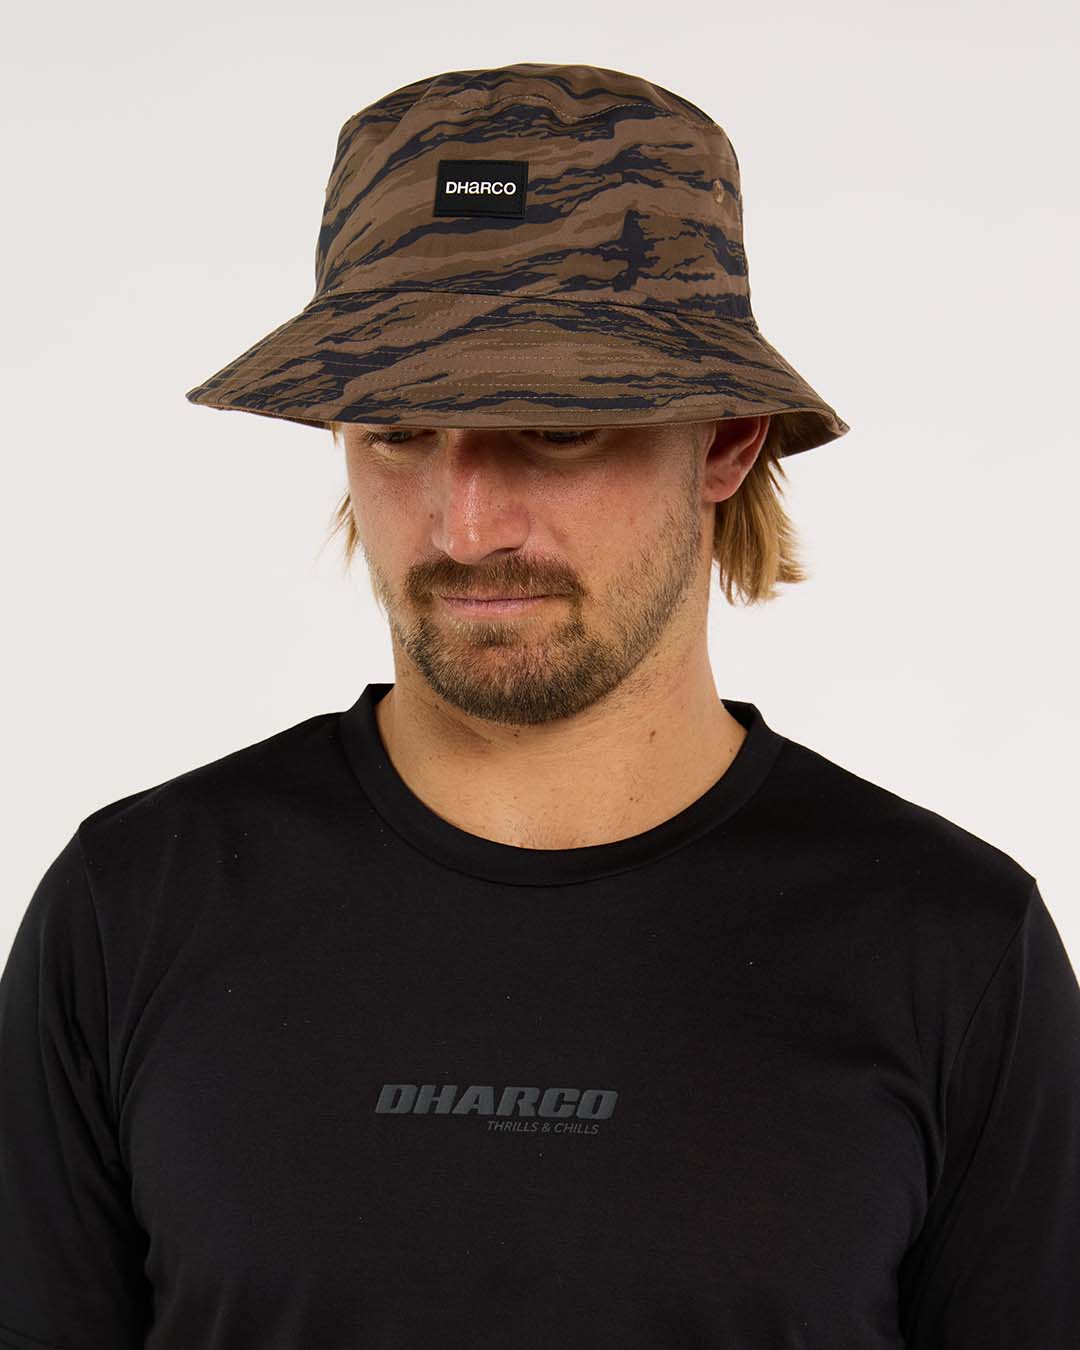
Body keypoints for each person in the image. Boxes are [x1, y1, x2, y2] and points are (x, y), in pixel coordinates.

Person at [1, 61, 1077, 1350]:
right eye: (400, 432)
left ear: (727, 437)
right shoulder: (130, 909)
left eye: (558, 430)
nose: (466, 526)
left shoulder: (953, 948)